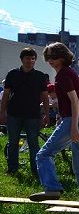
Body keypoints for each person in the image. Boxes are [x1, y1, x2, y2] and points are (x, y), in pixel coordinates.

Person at [30, 43, 79, 202]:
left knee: (43, 155)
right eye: (48, 57)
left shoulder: (63, 75)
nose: (50, 60)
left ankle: (52, 189)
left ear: (63, 57)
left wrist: (73, 127)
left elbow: (75, 101)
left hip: (74, 121)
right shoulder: (69, 73)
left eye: (54, 57)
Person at [0, 47, 49, 176]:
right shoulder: (12, 74)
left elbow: (45, 97)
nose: (30, 61)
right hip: (13, 114)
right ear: (22, 59)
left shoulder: (40, 76)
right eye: (28, 58)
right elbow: (6, 95)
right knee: (13, 143)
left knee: (34, 144)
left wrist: (46, 114)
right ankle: (12, 169)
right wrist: (2, 113)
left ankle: (35, 170)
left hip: (33, 115)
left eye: (33, 58)